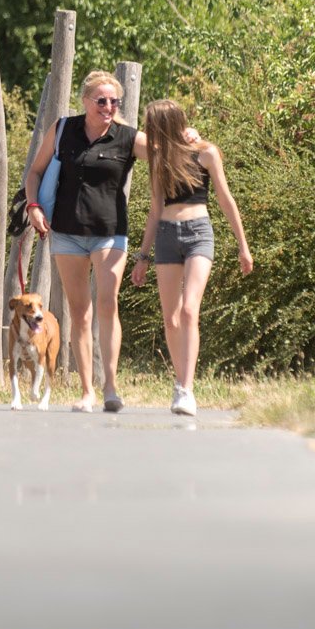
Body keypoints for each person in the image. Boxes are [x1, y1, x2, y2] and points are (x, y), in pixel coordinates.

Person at [22, 71, 147, 413]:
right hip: (66, 231)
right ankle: (87, 390)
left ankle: (111, 387)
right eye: (101, 100)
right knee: (79, 312)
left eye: (114, 101)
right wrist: (33, 206)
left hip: (110, 231)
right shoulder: (64, 129)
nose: (108, 107)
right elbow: (35, 172)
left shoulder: (128, 137)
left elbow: (165, 153)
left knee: (107, 303)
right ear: (86, 101)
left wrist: (189, 139)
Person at [130, 99, 253, 417]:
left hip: (199, 232)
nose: (149, 131)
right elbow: (155, 209)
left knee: (188, 310)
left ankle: (186, 389)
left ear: (166, 125)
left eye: (153, 125)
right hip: (167, 235)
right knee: (170, 318)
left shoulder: (206, 153)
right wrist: (142, 256)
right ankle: (180, 381)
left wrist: (243, 245)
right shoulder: (159, 158)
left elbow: (225, 199)